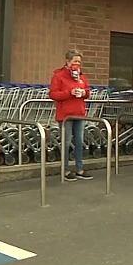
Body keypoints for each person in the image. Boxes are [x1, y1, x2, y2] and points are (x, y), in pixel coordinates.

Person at [49, 49, 93, 181]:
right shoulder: (59, 76)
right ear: (68, 61)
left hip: (79, 112)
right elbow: (53, 94)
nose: (77, 64)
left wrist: (83, 93)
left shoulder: (82, 76)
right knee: (66, 142)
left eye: (79, 61)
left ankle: (80, 168)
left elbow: (87, 91)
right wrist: (69, 92)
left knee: (79, 141)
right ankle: (66, 170)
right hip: (66, 114)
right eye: (75, 61)